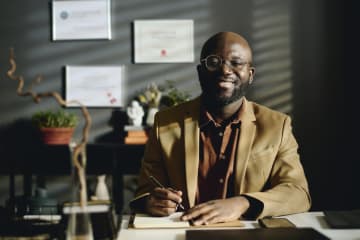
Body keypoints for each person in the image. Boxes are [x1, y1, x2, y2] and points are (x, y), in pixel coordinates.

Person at [130, 32, 311, 225]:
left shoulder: (276, 125)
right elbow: (145, 190)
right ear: (200, 72)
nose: (225, 70)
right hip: (182, 230)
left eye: (236, 62)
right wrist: (153, 201)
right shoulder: (165, 123)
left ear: (250, 75)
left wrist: (243, 203)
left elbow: (298, 193)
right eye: (214, 62)